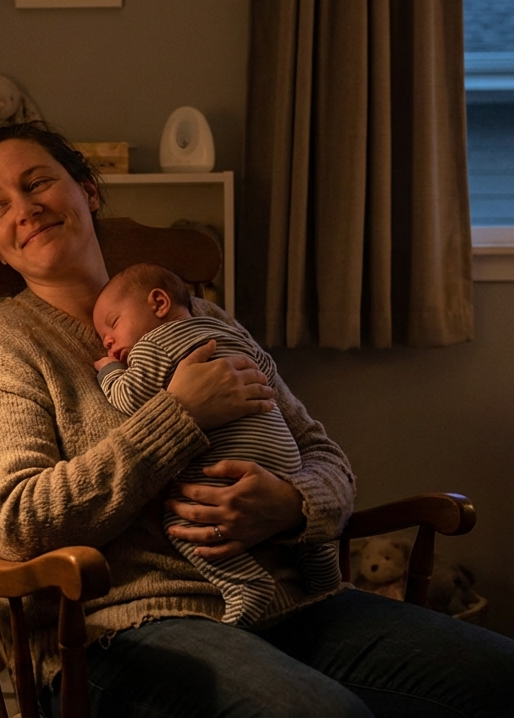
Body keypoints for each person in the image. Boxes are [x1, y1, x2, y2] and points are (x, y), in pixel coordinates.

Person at [0, 121, 514, 718]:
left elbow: (323, 454)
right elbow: (14, 525)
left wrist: (292, 505)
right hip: (123, 630)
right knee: (316, 715)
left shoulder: (200, 320)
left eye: (36, 182)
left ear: (89, 190)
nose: (23, 209)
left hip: (288, 601)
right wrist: (177, 416)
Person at [91, 262, 341, 625]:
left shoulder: (152, 345)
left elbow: (130, 397)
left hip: (228, 465)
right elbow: (267, 371)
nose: (109, 341)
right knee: (308, 534)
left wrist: (108, 371)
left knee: (183, 518)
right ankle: (323, 576)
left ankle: (244, 583)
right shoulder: (225, 330)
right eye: (103, 340)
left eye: (112, 325)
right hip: (285, 458)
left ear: (158, 303)